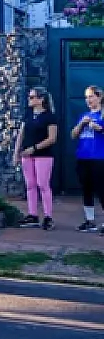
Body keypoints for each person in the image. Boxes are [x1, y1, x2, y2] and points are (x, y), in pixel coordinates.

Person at [14, 87, 58, 230]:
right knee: (30, 184)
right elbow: (21, 134)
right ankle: (32, 214)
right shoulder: (28, 114)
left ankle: (48, 216)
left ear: (41, 99)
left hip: (43, 155)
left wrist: (34, 148)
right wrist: (16, 153)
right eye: (30, 97)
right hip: (27, 155)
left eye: (33, 97)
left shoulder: (49, 116)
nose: (30, 99)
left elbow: (52, 138)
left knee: (43, 184)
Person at [71, 85, 104, 232]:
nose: (88, 100)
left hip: (99, 158)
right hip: (83, 157)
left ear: (99, 97)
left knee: (102, 190)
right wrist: (82, 124)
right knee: (86, 189)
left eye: (91, 96)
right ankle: (89, 221)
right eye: (86, 97)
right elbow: (73, 135)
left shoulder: (102, 116)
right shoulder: (84, 115)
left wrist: (100, 129)